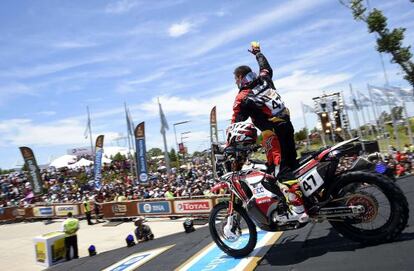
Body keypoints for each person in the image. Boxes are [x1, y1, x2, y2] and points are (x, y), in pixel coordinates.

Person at [230, 41, 308, 223]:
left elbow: (235, 124)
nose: (236, 83)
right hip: (287, 127)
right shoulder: (265, 79)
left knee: (280, 172)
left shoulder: (243, 97)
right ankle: (305, 198)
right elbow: (265, 67)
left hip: (272, 134)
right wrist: (258, 53)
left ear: (241, 77)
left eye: (236, 79)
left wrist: (229, 145)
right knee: (292, 164)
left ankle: (298, 210)